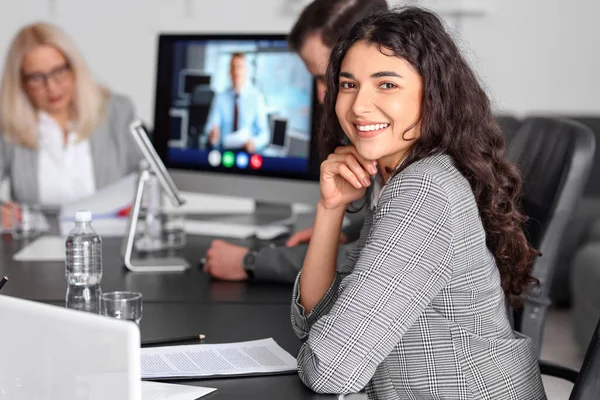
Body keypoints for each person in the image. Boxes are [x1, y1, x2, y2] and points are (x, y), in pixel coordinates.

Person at [291, 7, 546, 399]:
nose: (359, 106)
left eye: (386, 85)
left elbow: (330, 369)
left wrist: (325, 345)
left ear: (433, 93)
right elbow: (315, 323)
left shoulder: (424, 192)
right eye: (348, 84)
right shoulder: (400, 176)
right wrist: (330, 208)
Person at [203, 0, 388, 282]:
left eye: (329, 78)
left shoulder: (423, 179)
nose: (322, 96)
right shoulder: (220, 98)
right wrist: (341, 233)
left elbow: (370, 263)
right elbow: (389, 221)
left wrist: (251, 262)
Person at [0, 22, 141, 216]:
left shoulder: (118, 111)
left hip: (108, 240)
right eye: (36, 78)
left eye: (59, 71)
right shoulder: (9, 123)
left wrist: (139, 204)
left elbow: (149, 180)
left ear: (75, 67)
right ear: (20, 82)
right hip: (39, 242)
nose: (52, 87)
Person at [203, 52, 270, 153]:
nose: (236, 71)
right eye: (233, 67)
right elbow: (210, 128)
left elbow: (264, 135)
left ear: (246, 71)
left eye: (239, 67)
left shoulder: (257, 98)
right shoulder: (220, 98)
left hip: (248, 152)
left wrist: (254, 143)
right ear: (229, 72)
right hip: (223, 153)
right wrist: (212, 135)